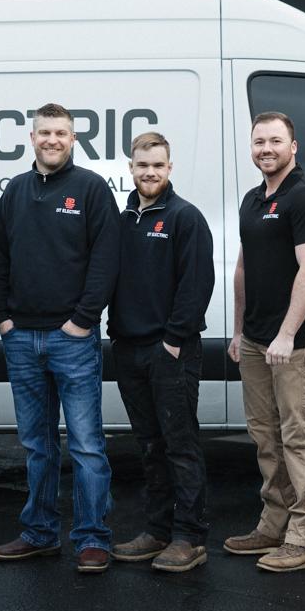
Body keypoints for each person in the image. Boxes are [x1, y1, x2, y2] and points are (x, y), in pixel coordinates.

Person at [0, 103, 120, 573]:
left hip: (72, 339)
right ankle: (40, 532)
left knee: (86, 443)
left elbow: (105, 261)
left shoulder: (91, 190)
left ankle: (91, 537)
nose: (52, 140)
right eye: (45, 132)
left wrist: (82, 320)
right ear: (32, 136)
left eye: (60, 132)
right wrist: (2, 318)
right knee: (37, 444)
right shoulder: (16, 192)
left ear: (73, 138)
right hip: (21, 338)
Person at [224, 112, 305, 573]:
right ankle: (274, 523)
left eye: (274, 141)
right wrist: (239, 330)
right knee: (265, 437)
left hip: (296, 341)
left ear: (294, 146)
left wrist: (287, 335)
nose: (265, 149)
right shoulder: (253, 199)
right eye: (258, 142)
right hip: (255, 339)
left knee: (298, 437)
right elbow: (244, 269)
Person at [108, 132, 216, 573]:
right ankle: (156, 530)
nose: (149, 172)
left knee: (180, 444)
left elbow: (197, 285)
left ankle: (188, 536)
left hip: (170, 351)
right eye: (141, 165)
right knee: (150, 445)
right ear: (131, 169)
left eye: (157, 165)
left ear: (170, 168)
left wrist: (172, 340)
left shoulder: (185, 218)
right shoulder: (123, 220)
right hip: (129, 349)